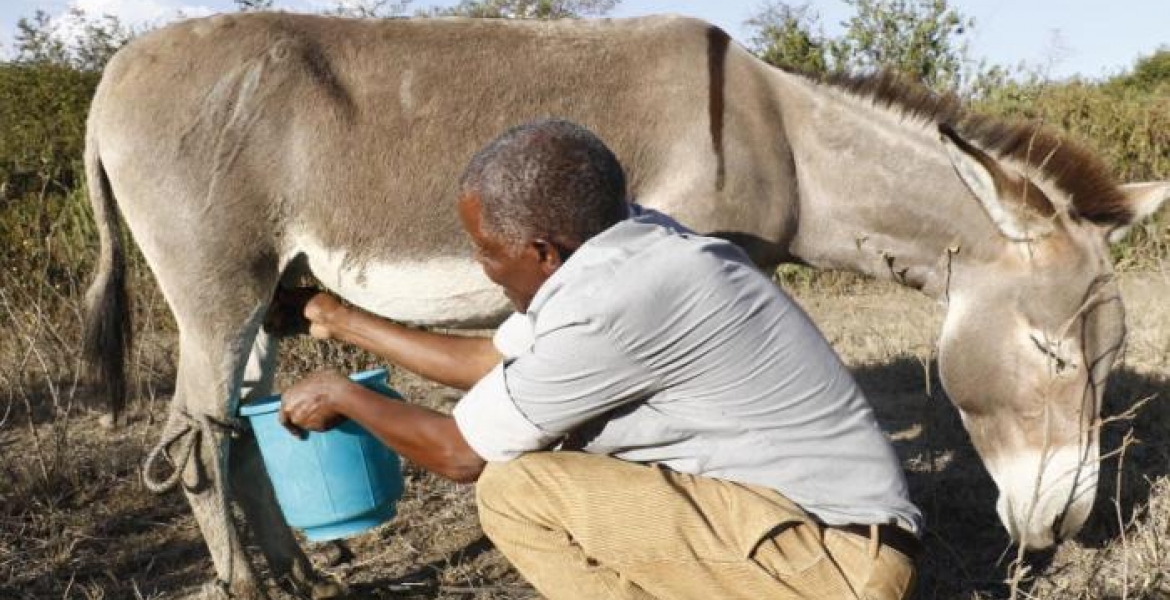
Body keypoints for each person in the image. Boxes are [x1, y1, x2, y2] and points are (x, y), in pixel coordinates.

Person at [274, 118, 923, 599]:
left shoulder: (613, 301)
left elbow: (461, 454)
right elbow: (486, 361)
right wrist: (340, 320)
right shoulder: (633, 247)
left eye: (487, 250)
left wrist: (347, 397)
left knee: (516, 489)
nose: (483, 266)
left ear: (542, 251)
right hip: (821, 540)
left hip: (831, 567)